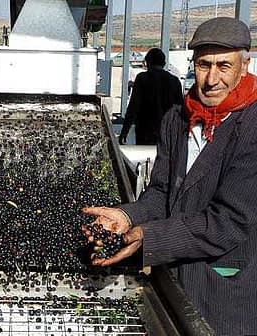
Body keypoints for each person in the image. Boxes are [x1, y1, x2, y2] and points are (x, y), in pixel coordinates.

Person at [83, 17, 257, 335]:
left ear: (243, 67)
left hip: (225, 293)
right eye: (204, 65)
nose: (211, 79)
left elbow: (229, 223)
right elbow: (163, 192)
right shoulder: (177, 119)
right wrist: (126, 215)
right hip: (175, 281)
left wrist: (149, 237)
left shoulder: (252, 126)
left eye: (224, 66)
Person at [119, 47, 183, 145]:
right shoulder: (175, 81)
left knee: (145, 157)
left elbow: (133, 106)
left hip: (145, 131)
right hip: (168, 132)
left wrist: (124, 131)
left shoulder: (142, 79)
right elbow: (180, 111)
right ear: (164, 64)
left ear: (148, 62)